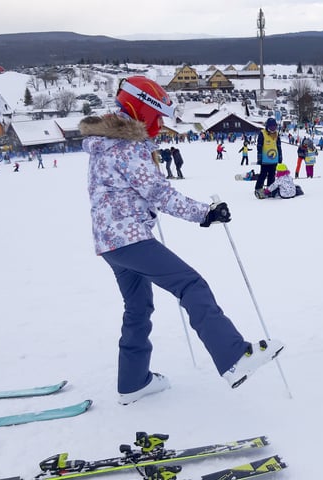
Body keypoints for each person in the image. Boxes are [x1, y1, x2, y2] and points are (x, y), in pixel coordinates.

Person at [79, 76, 284, 404]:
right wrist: (206, 213)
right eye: (156, 116)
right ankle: (233, 356)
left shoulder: (104, 143)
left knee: (137, 306)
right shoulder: (127, 148)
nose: (158, 124)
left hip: (109, 242)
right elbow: (160, 193)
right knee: (191, 285)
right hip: (130, 238)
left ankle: (133, 382)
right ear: (141, 110)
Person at [254, 118, 283, 199]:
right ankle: (258, 188)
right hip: (265, 160)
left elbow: (279, 146)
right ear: (268, 126)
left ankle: (270, 189)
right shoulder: (262, 133)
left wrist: (280, 157)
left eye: (274, 127)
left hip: (274, 159)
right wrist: (259, 158)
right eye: (271, 127)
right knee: (263, 174)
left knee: (272, 175)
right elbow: (259, 147)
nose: (273, 129)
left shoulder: (277, 134)